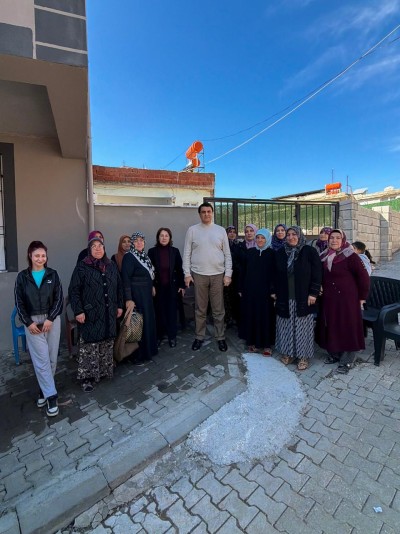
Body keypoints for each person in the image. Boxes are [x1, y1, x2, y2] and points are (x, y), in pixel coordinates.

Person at [14, 241, 63, 416]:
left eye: (43, 255)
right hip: (33, 323)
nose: (40, 259)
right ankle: (52, 397)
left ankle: (44, 390)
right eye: (37, 255)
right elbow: (19, 302)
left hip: (52, 321)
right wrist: (28, 323)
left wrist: (50, 318)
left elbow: (59, 299)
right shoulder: (22, 277)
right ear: (30, 256)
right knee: (41, 360)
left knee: (51, 358)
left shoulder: (52, 274)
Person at [69, 236, 123, 391]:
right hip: (90, 313)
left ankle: (104, 371)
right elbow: (74, 291)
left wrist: (119, 306)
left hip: (108, 312)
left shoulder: (111, 265)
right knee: (89, 345)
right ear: (89, 250)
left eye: (100, 246)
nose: (98, 249)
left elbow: (119, 286)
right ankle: (87, 378)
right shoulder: (82, 267)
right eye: (94, 246)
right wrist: (78, 310)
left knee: (106, 341)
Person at [317, 230, 370, 374]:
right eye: (331, 238)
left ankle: (347, 360)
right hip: (329, 299)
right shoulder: (324, 255)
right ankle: (335, 354)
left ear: (343, 240)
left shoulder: (351, 256)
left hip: (347, 299)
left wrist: (362, 297)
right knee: (332, 325)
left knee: (347, 327)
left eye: (338, 238)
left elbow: (364, 277)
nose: (334, 240)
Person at [183, 202, 232, 352]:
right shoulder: (192, 230)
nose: (206, 214)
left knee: (218, 309)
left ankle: (220, 337)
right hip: (199, 275)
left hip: (218, 275)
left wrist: (228, 274)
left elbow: (227, 254)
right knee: (200, 309)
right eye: (203, 212)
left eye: (209, 211)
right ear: (200, 214)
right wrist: (187, 273)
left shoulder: (220, 230)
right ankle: (199, 337)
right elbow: (187, 253)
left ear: (212, 213)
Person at [272, 226, 322, 371]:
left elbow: (317, 273)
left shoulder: (309, 251)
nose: (291, 237)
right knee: (285, 326)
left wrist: (313, 293)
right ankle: (288, 353)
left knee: (302, 328)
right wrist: (273, 291)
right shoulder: (280, 252)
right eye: (288, 234)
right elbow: (273, 274)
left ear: (300, 236)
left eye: (294, 234)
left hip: (303, 297)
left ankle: (303, 356)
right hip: (285, 297)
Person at [122, 232, 158, 362]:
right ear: (132, 243)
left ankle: (149, 350)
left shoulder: (144, 256)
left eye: (141, 240)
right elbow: (125, 279)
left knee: (147, 322)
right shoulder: (129, 257)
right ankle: (139, 355)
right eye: (136, 240)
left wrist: (152, 285)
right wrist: (128, 299)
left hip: (146, 296)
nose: (139, 243)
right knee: (138, 325)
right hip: (137, 296)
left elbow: (149, 275)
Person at [239, 229, 275, 355]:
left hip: (266, 293)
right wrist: (240, 288)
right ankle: (252, 342)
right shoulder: (250, 252)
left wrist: (273, 290)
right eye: (258, 237)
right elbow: (243, 272)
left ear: (267, 239)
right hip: (250, 291)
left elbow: (275, 274)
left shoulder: (272, 254)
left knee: (266, 317)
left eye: (263, 238)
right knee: (252, 315)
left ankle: (267, 345)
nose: (260, 240)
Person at [148, 227, 185, 348]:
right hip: (158, 287)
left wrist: (182, 285)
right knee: (159, 312)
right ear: (158, 238)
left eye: (166, 236)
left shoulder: (175, 251)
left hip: (172, 287)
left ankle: (172, 336)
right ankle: (159, 335)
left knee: (171, 312)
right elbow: (149, 271)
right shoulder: (152, 252)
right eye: (161, 235)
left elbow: (179, 269)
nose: (164, 238)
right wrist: (151, 285)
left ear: (170, 238)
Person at [224, 225, 241, 326]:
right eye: (230, 232)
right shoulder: (223, 244)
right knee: (226, 297)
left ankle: (235, 318)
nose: (232, 234)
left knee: (235, 296)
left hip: (237, 274)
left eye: (234, 232)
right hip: (226, 274)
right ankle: (227, 318)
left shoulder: (239, 244)